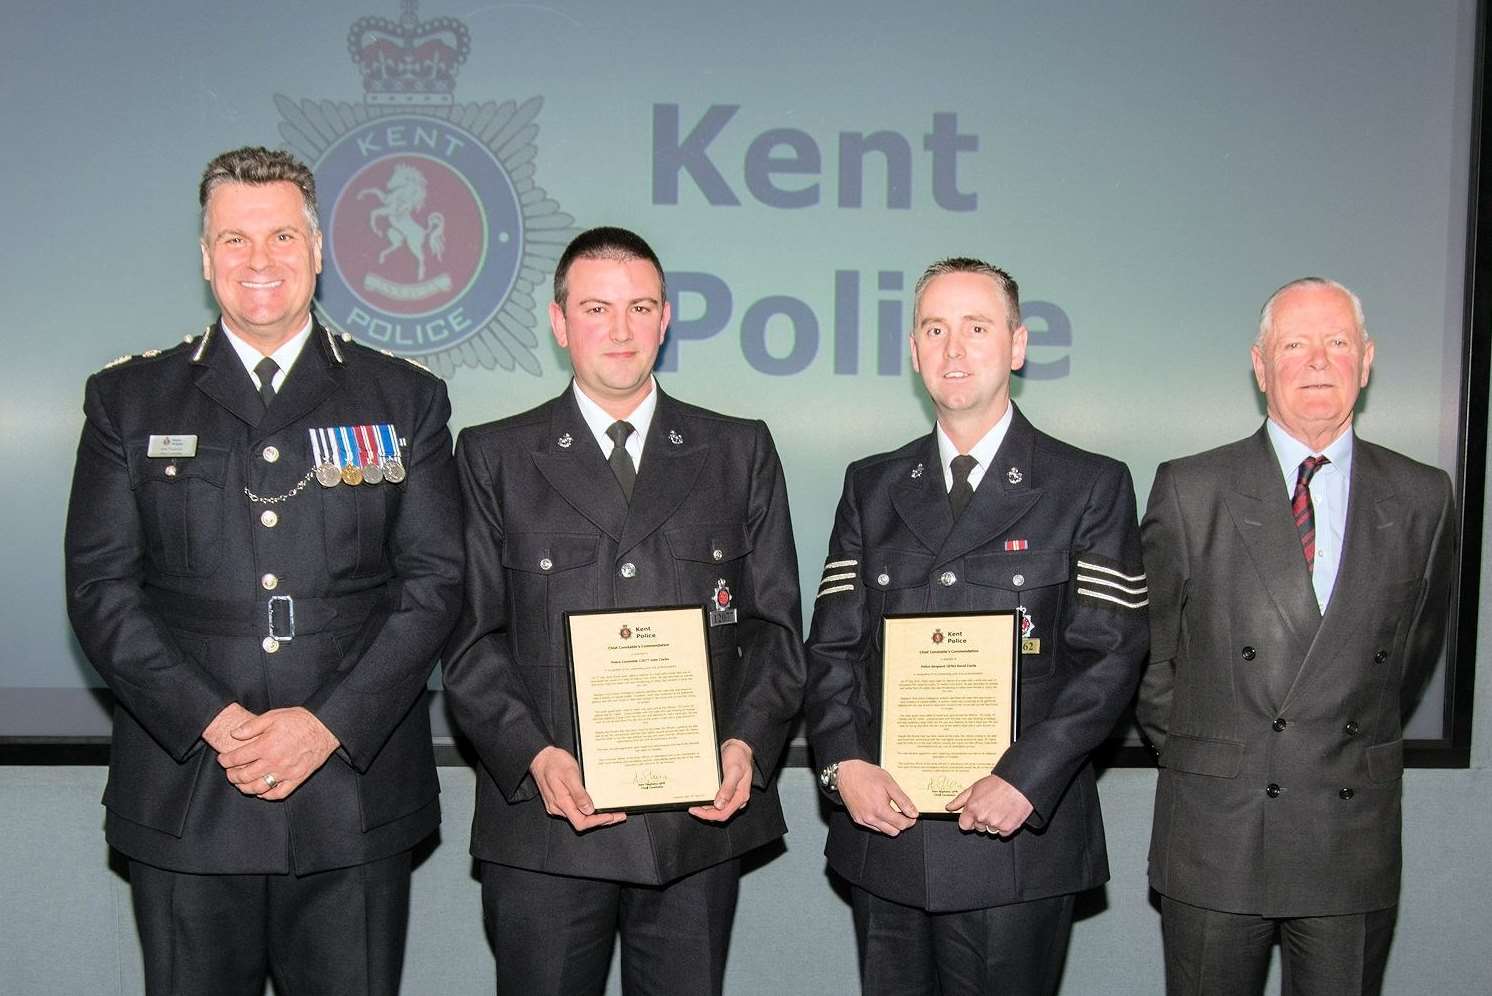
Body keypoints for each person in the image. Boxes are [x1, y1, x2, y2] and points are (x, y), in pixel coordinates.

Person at [64, 146, 463, 995]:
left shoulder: (403, 398)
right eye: (235, 240)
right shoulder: (128, 400)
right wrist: (215, 721)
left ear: (318, 251)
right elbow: (101, 592)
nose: (259, 261)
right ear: (206, 258)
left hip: (351, 796)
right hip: (189, 795)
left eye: (281, 236)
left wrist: (324, 725)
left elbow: (434, 586)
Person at [441, 226, 805, 995]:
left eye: (640, 307)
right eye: (596, 307)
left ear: (666, 319)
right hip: (545, 825)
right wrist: (534, 756)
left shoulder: (736, 450)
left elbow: (776, 631)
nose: (619, 329)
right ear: (558, 321)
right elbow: (470, 641)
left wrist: (746, 743)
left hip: (694, 826)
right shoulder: (493, 456)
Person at [804, 257, 1149, 994]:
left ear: (1017, 346)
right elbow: (832, 646)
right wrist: (842, 765)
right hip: (887, 833)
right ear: (914, 350)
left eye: (976, 328)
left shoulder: (1087, 485)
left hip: (1016, 837)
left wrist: (1025, 779)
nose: (954, 349)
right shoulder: (872, 485)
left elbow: (1112, 656)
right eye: (935, 329)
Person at [1137, 277, 1456, 995]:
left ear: (1366, 359)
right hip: (1217, 831)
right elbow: (1150, 656)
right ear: (1260, 364)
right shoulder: (1192, 489)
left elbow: (1410, 658)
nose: (1318, 361)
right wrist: (1213, 755)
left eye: (1337, 342)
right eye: (1295, 345)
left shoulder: (1423, 497)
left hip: (1348, 835)